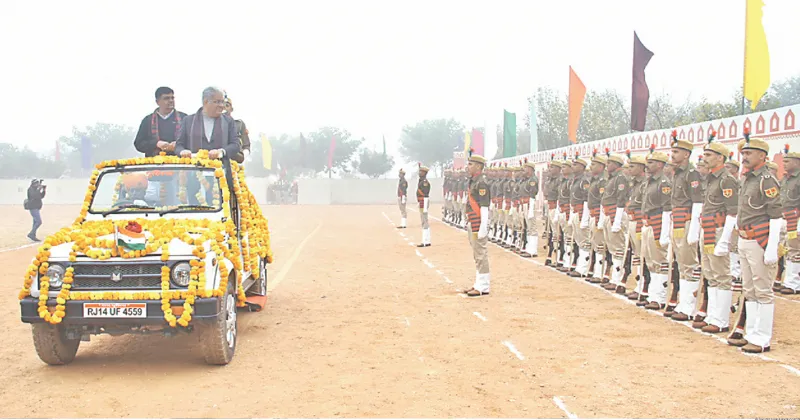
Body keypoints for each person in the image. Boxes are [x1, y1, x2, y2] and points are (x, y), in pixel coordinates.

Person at [727, 131, 781, 353]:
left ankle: (763, 337)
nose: (744, 157)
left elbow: (776, 215)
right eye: (743, 153)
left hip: (760, 239)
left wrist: (771, 248)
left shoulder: (767, 180)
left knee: (762, 288)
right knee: (749, 288)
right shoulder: (747, 178)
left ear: (762, 155)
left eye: (749, 153)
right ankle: (752, 332)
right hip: (744, 238)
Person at [693, 135, 738, 334]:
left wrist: (725, 240)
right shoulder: (710, 178)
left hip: (719, 230)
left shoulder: (727, 180)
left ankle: (721, 319)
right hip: (708, 229)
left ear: (721, 158)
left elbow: (732, 211)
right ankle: (712, 314)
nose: (705, 158)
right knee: (710, 274)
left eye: (709, 155)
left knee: (721, 275)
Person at [667, 131, 704, 321]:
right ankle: (683, 303)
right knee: (681, 263)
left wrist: (694, 230)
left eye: (676, 151)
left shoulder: (692, 174)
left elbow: (698, 202)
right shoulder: (677, 174)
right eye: (672, 151)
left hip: (688, 221)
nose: (672, 155)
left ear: (686, 155)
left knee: (689, 263)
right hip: (678, 221)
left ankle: (689, 307)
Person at [640, 145, 673, 311]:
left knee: (659, 260)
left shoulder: (664, 182)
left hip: (658, 221)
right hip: (647, 222)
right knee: (650, 260)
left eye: (651, 162)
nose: (648, 165)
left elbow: (667, 207)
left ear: (660, 165)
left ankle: (660, 297)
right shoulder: (649, 181)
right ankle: (653, 294)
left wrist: (664, 231)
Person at [175, 86, 241, 159]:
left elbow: (236, 145)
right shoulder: (188, 121)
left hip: (220, 168)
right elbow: (178, 145)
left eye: (223, 102)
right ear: (205, 102)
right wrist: (182, 151)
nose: (222, 106)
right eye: (217, 102)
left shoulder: (228, 121)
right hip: (193, 167)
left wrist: (222, 151)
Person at [461, 151, 491, 297]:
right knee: (476, 254)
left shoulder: (482, 182)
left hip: (479, 221)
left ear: (479, 166)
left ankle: (483, 286)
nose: (468, 166)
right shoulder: (473, 180)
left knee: (481, 254)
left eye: (471, 164)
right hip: (473, 220)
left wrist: (483, 226)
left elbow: (484, 206)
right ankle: (478, 283)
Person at [134, 86, 187, 157]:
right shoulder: (148, 120)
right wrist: (156, 144)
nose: (171, 101)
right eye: (166, 98)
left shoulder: (184, 118)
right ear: (157, 102)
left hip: (180, 163)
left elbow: (194, 141)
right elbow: (138, 144)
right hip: (155, 164)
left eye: (172, 98)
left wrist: (179, 144)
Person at [780, 144, 800, 295]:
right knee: (786, 249)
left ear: (797, 162)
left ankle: (793, 284)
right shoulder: (785, 179)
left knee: (795, 250)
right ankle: (788, 280)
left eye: (787, 161)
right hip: (784, 217)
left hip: (796, 219)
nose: (784, 164)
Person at [223, 96, 251, 164]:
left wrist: (243, 156)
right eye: (222, 106)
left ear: (231, 109)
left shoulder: (239, 124)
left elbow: (246, 145)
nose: (224, 108)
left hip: (234, 162)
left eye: (227, 105)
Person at [416, 164, 431, 247]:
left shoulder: (424, 182)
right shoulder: (421, 181)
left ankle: (425, 240)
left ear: (424, 173)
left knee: (424, 221)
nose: (419, 173)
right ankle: (426, 240)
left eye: (421, 172)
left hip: (424, 202)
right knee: (424, 221)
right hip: (421, 202)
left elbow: (425, 194)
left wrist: (425, 206)